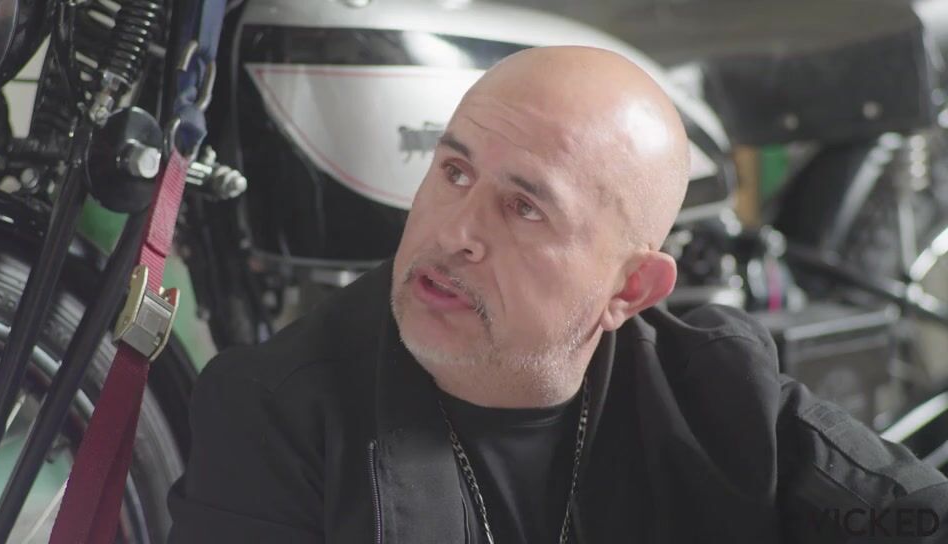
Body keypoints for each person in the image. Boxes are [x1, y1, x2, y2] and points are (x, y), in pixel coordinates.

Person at [167, 46, 948, 543]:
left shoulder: (715, 388)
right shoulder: (274, 413)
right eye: (454, 172)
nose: (455, 232)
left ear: (630, 287)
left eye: (524, 207)